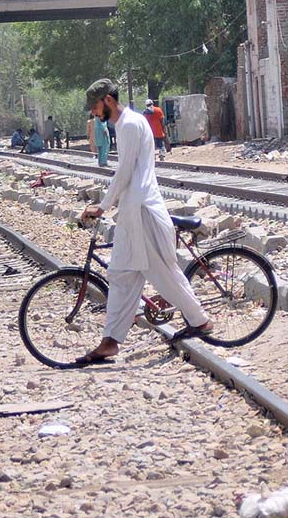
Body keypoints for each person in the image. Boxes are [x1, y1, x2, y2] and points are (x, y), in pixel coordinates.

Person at [77, 78, 213, 364]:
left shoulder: (127, 125)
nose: (93, 113)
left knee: (162, 273)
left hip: (142, 212)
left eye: (95, 107)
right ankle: (110, 341)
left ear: (108, 101)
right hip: (132, 212)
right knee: (121, 276)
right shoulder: (131, 122)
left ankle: (200, 321)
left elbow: (124, 172)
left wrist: (101, 207)